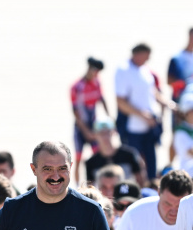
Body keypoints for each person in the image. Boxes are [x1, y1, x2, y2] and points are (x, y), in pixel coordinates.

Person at [115, 44, 171, 180]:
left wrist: (168, 104)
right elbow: (121, 101)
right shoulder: (124, 70)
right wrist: (142, 115)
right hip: (132, 127)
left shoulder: (144, 70)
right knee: (134, 166)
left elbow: (153, 91)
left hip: (149, 127)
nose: (148, 59)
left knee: (151, 165)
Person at [71, 57, 108, 175]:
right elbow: (76, 111)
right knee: (78, 157)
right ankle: (77, 184)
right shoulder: (77, 87)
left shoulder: (97, 82)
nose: (95, 74)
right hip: (81, 127)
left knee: (99, 154)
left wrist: (110, 119)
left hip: (93, 125)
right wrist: (85, 130)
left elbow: (102, 100)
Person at [83, 117, 144, 186]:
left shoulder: (129, 154)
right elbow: (90, 187)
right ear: (95, 135)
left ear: (114, 132)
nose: (105, 137)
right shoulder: (91, 162)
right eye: (101, 133)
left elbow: (140, 180)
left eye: (108, 132)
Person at [167, 28, 193, 103]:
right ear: (190, 35)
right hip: (180, 99)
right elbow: (169, 81)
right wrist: (183, 84)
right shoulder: (177, 58)